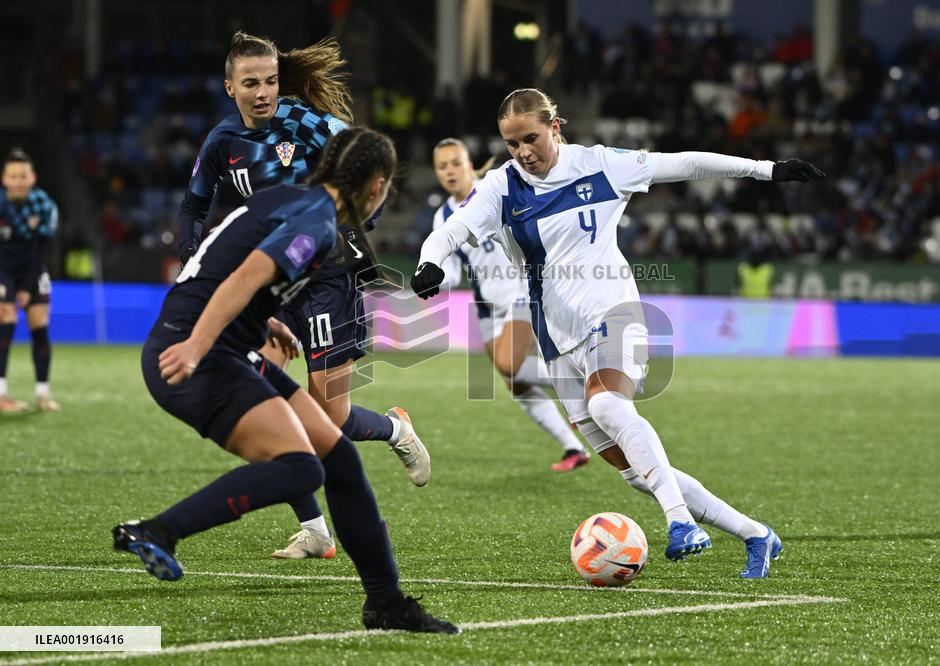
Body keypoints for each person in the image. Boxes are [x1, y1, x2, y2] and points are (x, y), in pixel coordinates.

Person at [412, 88, 825, 578]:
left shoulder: (603, 165)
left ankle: (681, 524)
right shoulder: (502, 187)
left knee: (610, 404)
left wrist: (766, 170)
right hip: (554, 337)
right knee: (635, 472)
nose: (522, 151)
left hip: (614, 309)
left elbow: (687, 163)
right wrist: (429, 262)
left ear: (556, 127)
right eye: (511, 143)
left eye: (531, 138)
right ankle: (757, 534)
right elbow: (452, 230)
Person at [119, 127, 457, 633]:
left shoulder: (292, 199)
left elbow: (227, 258)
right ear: (376, 186)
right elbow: (246, 276)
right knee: (302, 469)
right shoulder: (317, 223)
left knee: (338, 456)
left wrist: (263, 321)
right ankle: (159, 532)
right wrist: (195, 343)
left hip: (220, 344)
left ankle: (386, 603)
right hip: (199, 353)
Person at [180, 32, 429, 560]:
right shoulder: (223, 142)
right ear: (230, 87)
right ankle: (315, 529)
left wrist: (357, 221)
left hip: (326, 278)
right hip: (270, 284)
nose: (263, 91)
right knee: (263, 407)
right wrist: (193, 266)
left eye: (270, 80)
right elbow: (193, 207)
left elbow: (371, 165)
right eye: (251, 83)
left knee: (327, 419)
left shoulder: (309, 123)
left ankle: (393, 428)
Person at [431, 138, 589, 471]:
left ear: (470, 165)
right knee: (516, 383)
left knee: (508, 365)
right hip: (487, 305)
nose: (450, 171)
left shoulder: (494, 190)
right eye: (442, 166)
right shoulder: (443, 215)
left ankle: (581, 385)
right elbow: (452, 268)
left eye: (455, 163)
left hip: (521, 290)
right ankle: (573, 447)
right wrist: (436, 279)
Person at [0, 148, 59, 413]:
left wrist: (25, 288)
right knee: (6, 315)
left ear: (32, 177)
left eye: (23, 176)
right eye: (13, 176)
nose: (18, 181)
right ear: (4, 179)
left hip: (32, 270)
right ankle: (1, 393)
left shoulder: (44, 205)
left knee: (39, 324)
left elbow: (42, 249)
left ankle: (43, 393)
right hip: (2, 269)